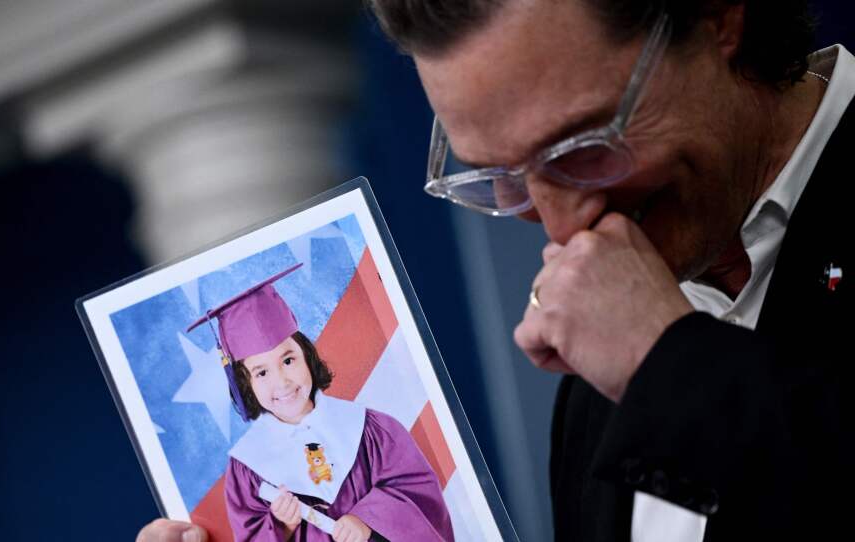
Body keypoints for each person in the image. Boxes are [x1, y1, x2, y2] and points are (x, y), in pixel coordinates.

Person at [140, 0, 854, 540]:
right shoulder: (598, 378)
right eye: (503, 178)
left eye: (584, 147)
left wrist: (668, 369)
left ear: (713, 18)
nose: (566, 226)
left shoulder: (644, 355)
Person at [145, 263, 453, 542]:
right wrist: (281, 525)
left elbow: (419, 494)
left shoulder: (372, 429)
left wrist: (368, 518)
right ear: (245, 385)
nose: (281, 382)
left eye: (288, 360)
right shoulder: (247, 468)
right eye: (261, 372)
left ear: (308, 357)